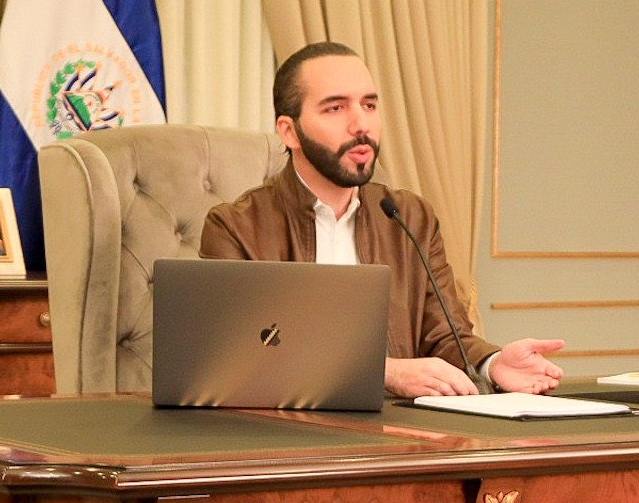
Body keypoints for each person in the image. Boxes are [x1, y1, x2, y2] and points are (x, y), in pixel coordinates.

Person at [200, 41, 564, 398]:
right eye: (335, 108)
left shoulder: (409, 217)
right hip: (289, 426)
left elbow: (444, 336)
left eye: (369, 105)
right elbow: (250, 351)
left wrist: (493, 363)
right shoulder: (236, 227)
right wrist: (386, 373)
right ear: (289, 131)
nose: (361, 124)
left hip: (397, 427)